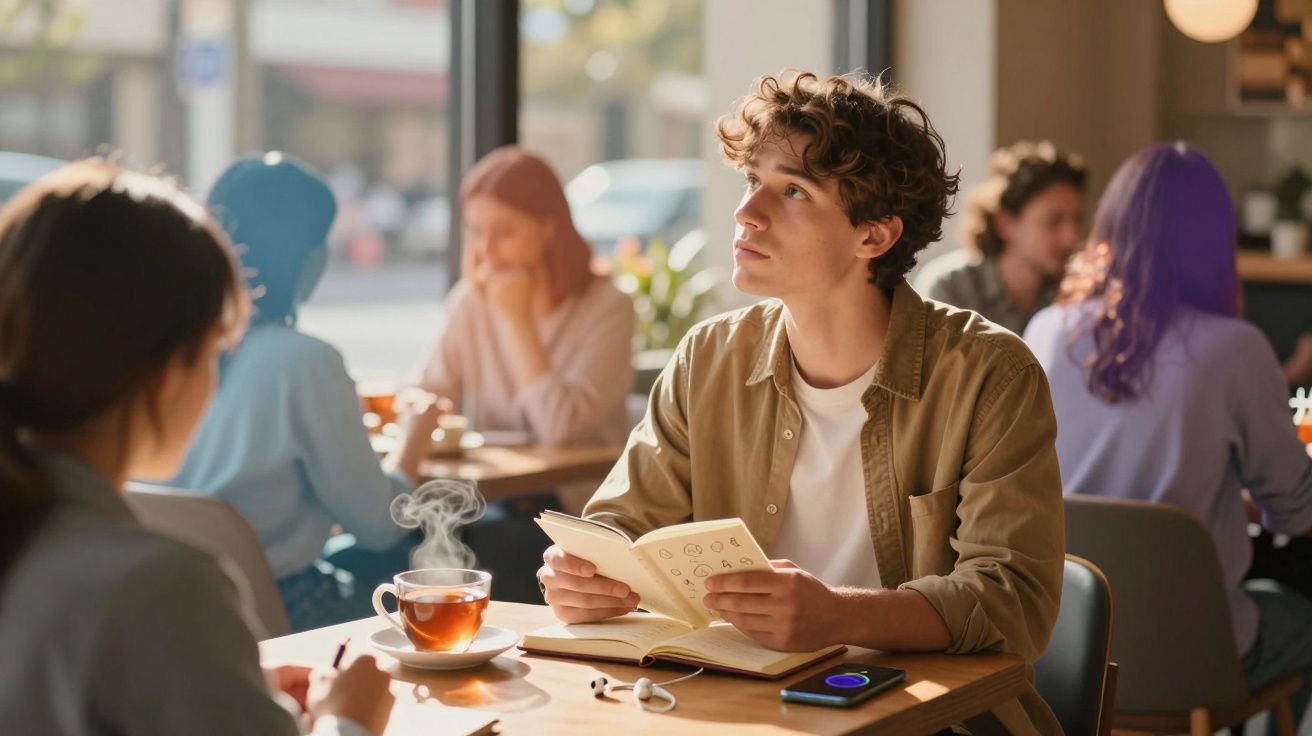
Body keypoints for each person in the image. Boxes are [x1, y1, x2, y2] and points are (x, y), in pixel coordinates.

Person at [538, 71, 1065, 735]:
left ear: (873, 236)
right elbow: (622, 523)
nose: (747, 212)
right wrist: (586, 573)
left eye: (792, 191)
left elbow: (1012, 601)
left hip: (932, 720)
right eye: (751, 180)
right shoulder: (709, 358)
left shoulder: (990, 373)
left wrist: (838, 616)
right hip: (735, 710)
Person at [0, 159, 394, 735]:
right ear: (165, 371)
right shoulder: (161, 587)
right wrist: (349, 720)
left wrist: (222, 677)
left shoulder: (38, 541)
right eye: (215, 347)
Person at [1024, 142, 1312, 729]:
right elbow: (1296, 513)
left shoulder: (1047, 332)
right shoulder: (1236, 348)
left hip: (1064, 649)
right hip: (1194, 661)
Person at [168, 153, 440, 632]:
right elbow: (379, 525)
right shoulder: (302, 362)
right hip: (278, 611)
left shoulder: (168, 348)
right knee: (446, 569)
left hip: (175, 611)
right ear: (308, 259)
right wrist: (415, 436)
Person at [414, 147, 636, 602]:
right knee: (418, 541)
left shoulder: (608, 308)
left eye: (505, 232)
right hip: (493, 501)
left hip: (576, 515)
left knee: (483, 554)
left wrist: (515, 322)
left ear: (549, 227)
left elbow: (559, 427)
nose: (486, 250)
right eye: (477, 231)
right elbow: (428, 395)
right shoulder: (470, 302)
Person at [915, 140, 1085, 334]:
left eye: (1077, 220)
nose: (1072, 238)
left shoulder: (1076, 290)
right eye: (1053, 221)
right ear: (1004, 223)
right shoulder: (949, 288)